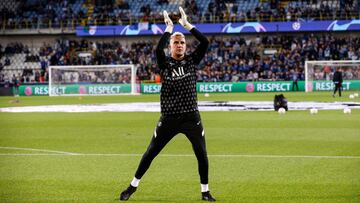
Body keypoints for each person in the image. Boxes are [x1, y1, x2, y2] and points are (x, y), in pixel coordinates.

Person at [119, 7, 215, 202]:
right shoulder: (165, 64)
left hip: (191, 117)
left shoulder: (191, 61)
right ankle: (132, 186)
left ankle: (205, 192)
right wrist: (169, 29)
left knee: (202, 155)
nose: (179, 45)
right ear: (170, 46)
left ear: (185, 47)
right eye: (175, 43)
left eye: (182, 43)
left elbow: (204, 42)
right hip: (169, 119)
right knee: (150, 153)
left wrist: (187, 25)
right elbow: (157, 49)